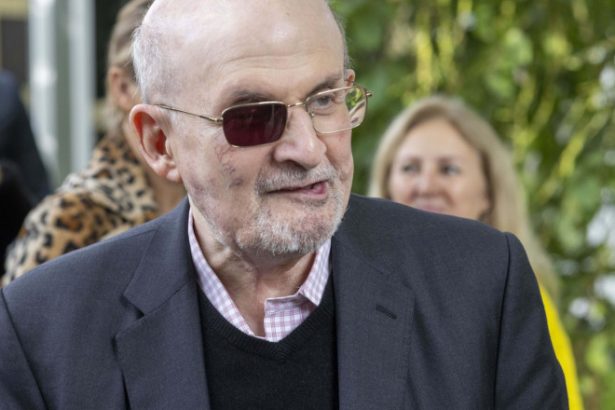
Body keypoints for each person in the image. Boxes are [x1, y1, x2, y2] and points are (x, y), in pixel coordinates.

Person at [0, 1, 567, 408]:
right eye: (252, 116)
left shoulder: (479, 285)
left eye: (324, 100)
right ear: (159, 143)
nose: (308, 148)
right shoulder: (45, 332)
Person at [370, 95, 581, 409]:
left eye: (449, 169)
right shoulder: (352, 289)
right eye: (409, 168)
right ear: (387, 186)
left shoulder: (516, 301)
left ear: (488, 194)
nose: (426, 185)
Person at [2, 0, 185, 286]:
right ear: (122, 88)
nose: (195, 101)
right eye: (173, 79)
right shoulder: (70, 218)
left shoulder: (215, 207)